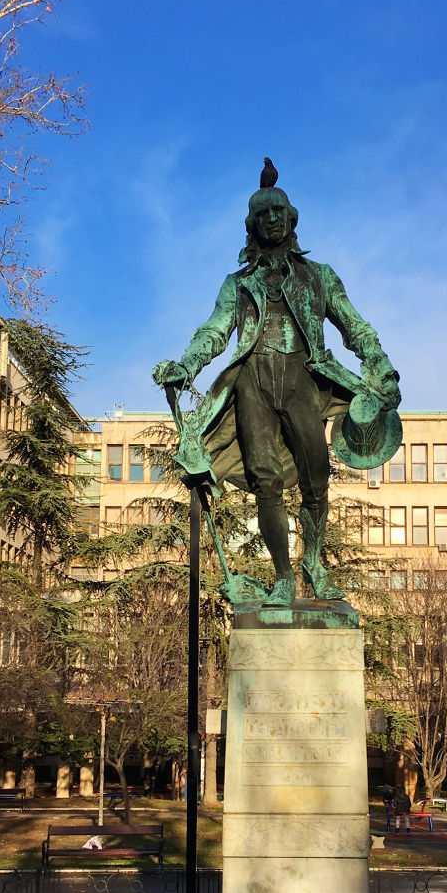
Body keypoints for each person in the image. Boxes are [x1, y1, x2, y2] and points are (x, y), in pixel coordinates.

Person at [153, 162, 401, 606]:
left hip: (304, 377)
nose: (271, 219)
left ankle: (315, 564)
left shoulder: (319, 276)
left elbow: (355, 326)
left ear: (291, 219)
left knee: (317, 476)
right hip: (253, 381)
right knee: (264, 479)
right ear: (252, 225)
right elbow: (215, 330)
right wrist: (186, 366)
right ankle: (284, 576)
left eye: (278, 212)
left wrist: (380, 365)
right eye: (262, 213)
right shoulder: (238, 283)